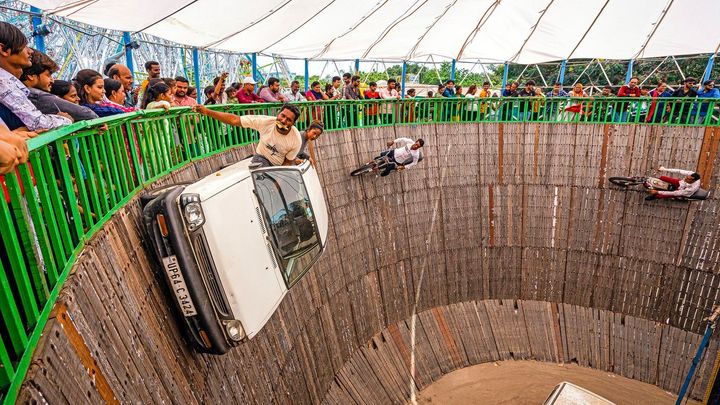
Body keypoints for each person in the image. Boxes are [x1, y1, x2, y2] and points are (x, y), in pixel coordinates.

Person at [0, 23, 72, 131]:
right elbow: (38, 123)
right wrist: (64, 119)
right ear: (4, 50)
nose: (30, 51)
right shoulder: (3, 82)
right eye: (24, 46)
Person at [193, 103, 301, 167]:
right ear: (278, 113)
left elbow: (287, 163)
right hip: (262, 158)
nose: (283, 120)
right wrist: (207, 112)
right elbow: (235, 120)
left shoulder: (296, 139)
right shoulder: (265, 122)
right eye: (282, 116)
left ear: (293, 123)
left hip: (278, 166)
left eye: (288, 120)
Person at [20, 49, 98, 122]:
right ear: (31, 76)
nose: (52, 80)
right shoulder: (37, 96)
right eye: (48, 75)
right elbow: (87, 114)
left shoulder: (20, 92)